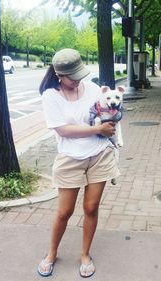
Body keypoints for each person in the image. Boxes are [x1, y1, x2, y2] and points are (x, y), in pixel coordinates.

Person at [37, 48, 120, 278]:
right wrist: (97, 129)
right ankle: (51, 254)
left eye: (79, 75)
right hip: (70, 159)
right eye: (72, 77)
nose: (77, 81)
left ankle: (85, 254)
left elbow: (107, 112)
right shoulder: (50, 96)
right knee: (64, 212)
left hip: (100, 154)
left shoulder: (93, 89)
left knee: (91, 208)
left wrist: (114, 117)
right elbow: (63, 130)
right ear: (58, 75)